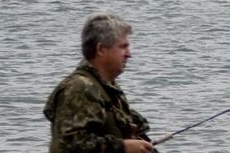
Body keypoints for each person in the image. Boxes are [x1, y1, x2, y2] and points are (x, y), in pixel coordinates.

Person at [45, 12, 153, 153]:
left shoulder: (107, 87)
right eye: (123, 47)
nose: (128, 54)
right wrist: (123, 147)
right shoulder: (79, 88)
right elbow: (69, 145)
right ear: (101, 49)